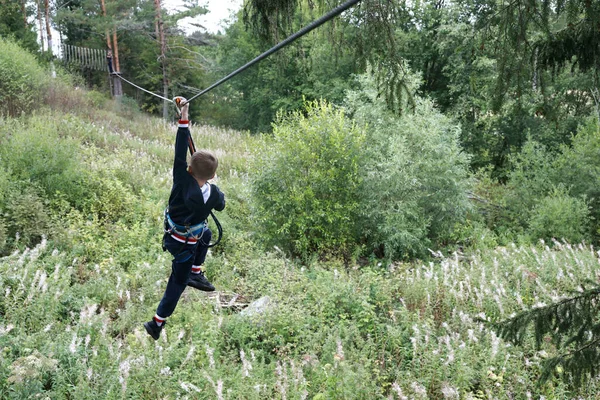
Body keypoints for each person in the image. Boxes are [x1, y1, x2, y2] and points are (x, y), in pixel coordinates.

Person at [144, 97, 225, 340]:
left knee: (205, 237)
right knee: (179, 279)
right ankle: (157, 322)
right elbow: (220, 206)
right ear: (212, 175)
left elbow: (180, 149)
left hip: (174, 239)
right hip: (188, 243)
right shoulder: (214, 194)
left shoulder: (181, 179)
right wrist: (216, 188)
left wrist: (184, 116)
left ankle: (194, 274)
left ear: (188, 168)